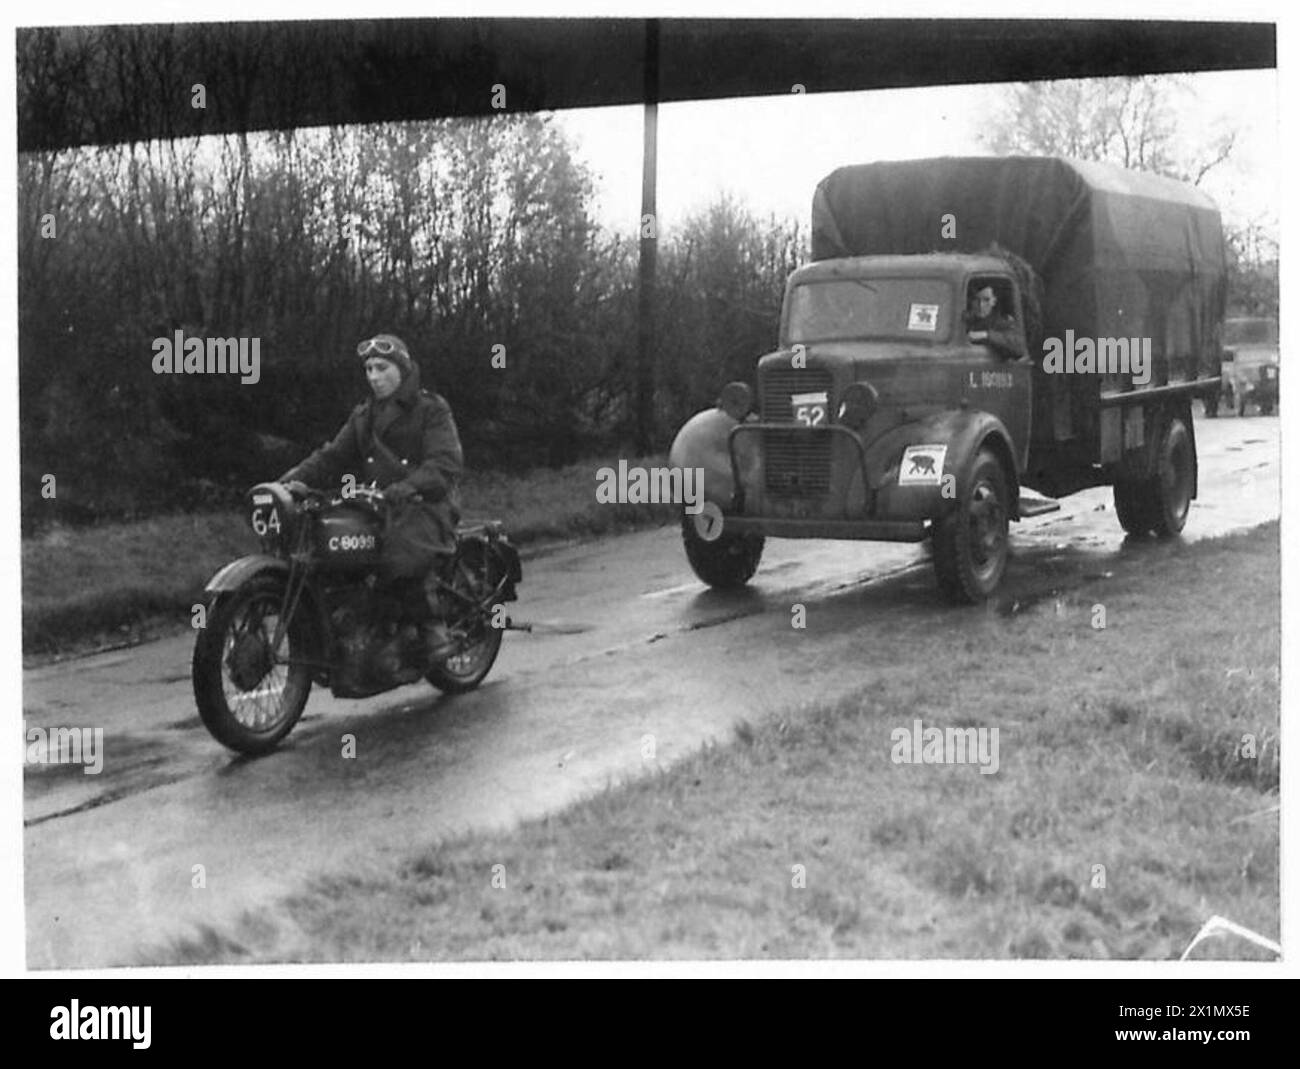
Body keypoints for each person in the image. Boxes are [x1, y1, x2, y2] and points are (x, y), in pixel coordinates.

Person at [279, 334, 463, 663]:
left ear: (402, 370)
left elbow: (445, 464)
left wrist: (408, 487)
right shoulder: (363, 416)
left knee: (401, 555)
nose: (374, 377)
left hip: (426, 504)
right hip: (378, 503)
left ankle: (430, 629)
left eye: (382, 368)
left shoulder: (431, 409)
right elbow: (332, 457)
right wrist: (290, 482)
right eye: (368, 369)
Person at [966, 284, 1028, 361]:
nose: (981, 305)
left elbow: (1018, 347)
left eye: (986, 300)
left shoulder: (1002, 322)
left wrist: (986, 335)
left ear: (994, 302)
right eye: (976, 300)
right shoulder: (966, 321)